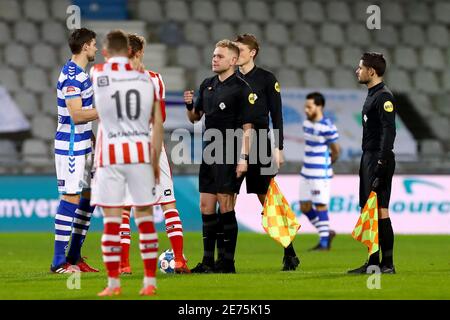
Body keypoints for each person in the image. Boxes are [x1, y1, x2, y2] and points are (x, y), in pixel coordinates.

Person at [90, 30, 164, 296]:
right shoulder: (147, 80)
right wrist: (155, 160)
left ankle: (113, 285)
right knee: (145, 218)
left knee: (112, 221)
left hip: (110, 157)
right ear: (131, 51)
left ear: (107, 52)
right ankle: (149, 283)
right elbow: (157, 125)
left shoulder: (98, 73)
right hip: (141, 155)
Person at [116, 33, 190, 275]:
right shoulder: (155, 80)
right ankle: (178, 259)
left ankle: (124, 264)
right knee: (167, 203)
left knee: (125, 208)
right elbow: (162, 118)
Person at [184, 39, 255, 273]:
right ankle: (207, 261)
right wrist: (189, 107)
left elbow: (248, 128)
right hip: (209, 150)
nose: (214, 59)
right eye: (214, 55)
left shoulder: (242, 88)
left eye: (220, 56)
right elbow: (195, 117)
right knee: (206, 205)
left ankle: (227, 262)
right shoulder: (207, 85)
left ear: (233, 61)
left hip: (231, 151)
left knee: (225, 205)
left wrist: (243, 158)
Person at [229, 33, 299, 271]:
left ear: (252, 53)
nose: (236, 54)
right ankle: (224, 260)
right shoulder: (229, 78)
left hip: (259, 142)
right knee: (227, 199)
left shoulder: (267, 79)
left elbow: (276, 115)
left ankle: (289, 252)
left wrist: (278, 148)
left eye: (239, 50)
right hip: (231, 142)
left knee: (267, 200)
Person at [51, 28, 99, 273]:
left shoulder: (82, 74)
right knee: (71, 197)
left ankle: (74, 255)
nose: (96, 49)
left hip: (83, 143)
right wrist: (108, 109)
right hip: (71, 146)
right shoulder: (72, 76)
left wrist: (91, 136)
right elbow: (77, 114)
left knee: (88, 197)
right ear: (85, 47)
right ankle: (58, 262)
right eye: (93, 45)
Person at [348, 52, 396, 274]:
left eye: (360, 68)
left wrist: (381, 163)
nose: (357, 71)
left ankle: (387, 264)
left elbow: (389, 132)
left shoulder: (384, 97)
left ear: (372, 71)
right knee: (370, 210)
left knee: (381, 210)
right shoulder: (372, 94)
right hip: (368, 156)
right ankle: (373, 261)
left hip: (378, 157)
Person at [300, 92, 340, 251]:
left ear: (319, 107)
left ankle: (324, 242)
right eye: (305, 107)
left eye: (309, 107)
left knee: (320, 204)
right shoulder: (306, 124)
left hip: (319, 173)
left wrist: (328, 165)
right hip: (306, 171)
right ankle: (326, 233)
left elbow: (336, 150)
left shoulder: (328, 126)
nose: (306, 110)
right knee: (305, 207)